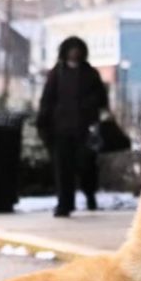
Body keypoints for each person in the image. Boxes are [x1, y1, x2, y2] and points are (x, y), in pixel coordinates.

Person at [36, 36, 109, 217]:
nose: (74, 52)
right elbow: (47, 100)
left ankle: (90, 194)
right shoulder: (57, 74)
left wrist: (89, 108)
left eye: (77, 49)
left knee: (86, 166)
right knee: (63, 169)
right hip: (61, 130)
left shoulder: (90, 73)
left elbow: (102, 99)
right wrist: (43, 122)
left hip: (85, 130)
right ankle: (64, 204)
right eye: (71, 48)